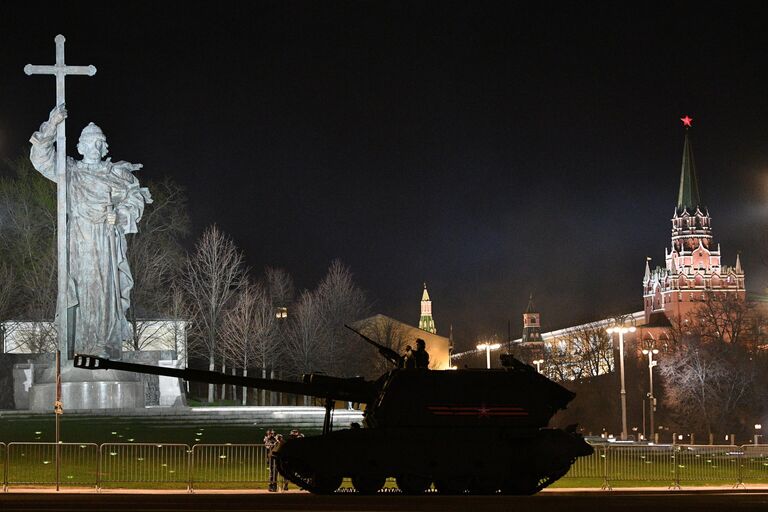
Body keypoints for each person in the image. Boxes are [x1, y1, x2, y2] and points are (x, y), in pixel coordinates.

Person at [29, 105, 152, 359]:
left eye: (100, 143)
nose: (95, 148)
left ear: (104, 147)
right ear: (80, 146)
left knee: (105, 293)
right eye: (90, 143)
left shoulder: (117, 174)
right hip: (77, 242)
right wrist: (52, 124)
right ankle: (78, 346)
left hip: (106, 240)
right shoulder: (70, 171)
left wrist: (119, 216)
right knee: (80, 291)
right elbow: (40, 159)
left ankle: (103, 346)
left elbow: (136, 199)